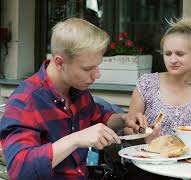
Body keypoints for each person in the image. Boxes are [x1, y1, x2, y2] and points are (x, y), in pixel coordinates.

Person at [0, 18, 147, 179]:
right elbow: (19, 170)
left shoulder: (78, 91)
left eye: (97, 66)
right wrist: (76, 139)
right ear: (59, 63)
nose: (97, 75)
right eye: (88, 68)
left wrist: (125, 119)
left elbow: (101, 118)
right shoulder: (25, 100)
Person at [126, 17, 191, 141]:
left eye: (180, 54)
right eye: (168, 54)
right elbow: (128, 129)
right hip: (152, 156)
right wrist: (145, 134)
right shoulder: (146, 83)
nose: (173, 60)